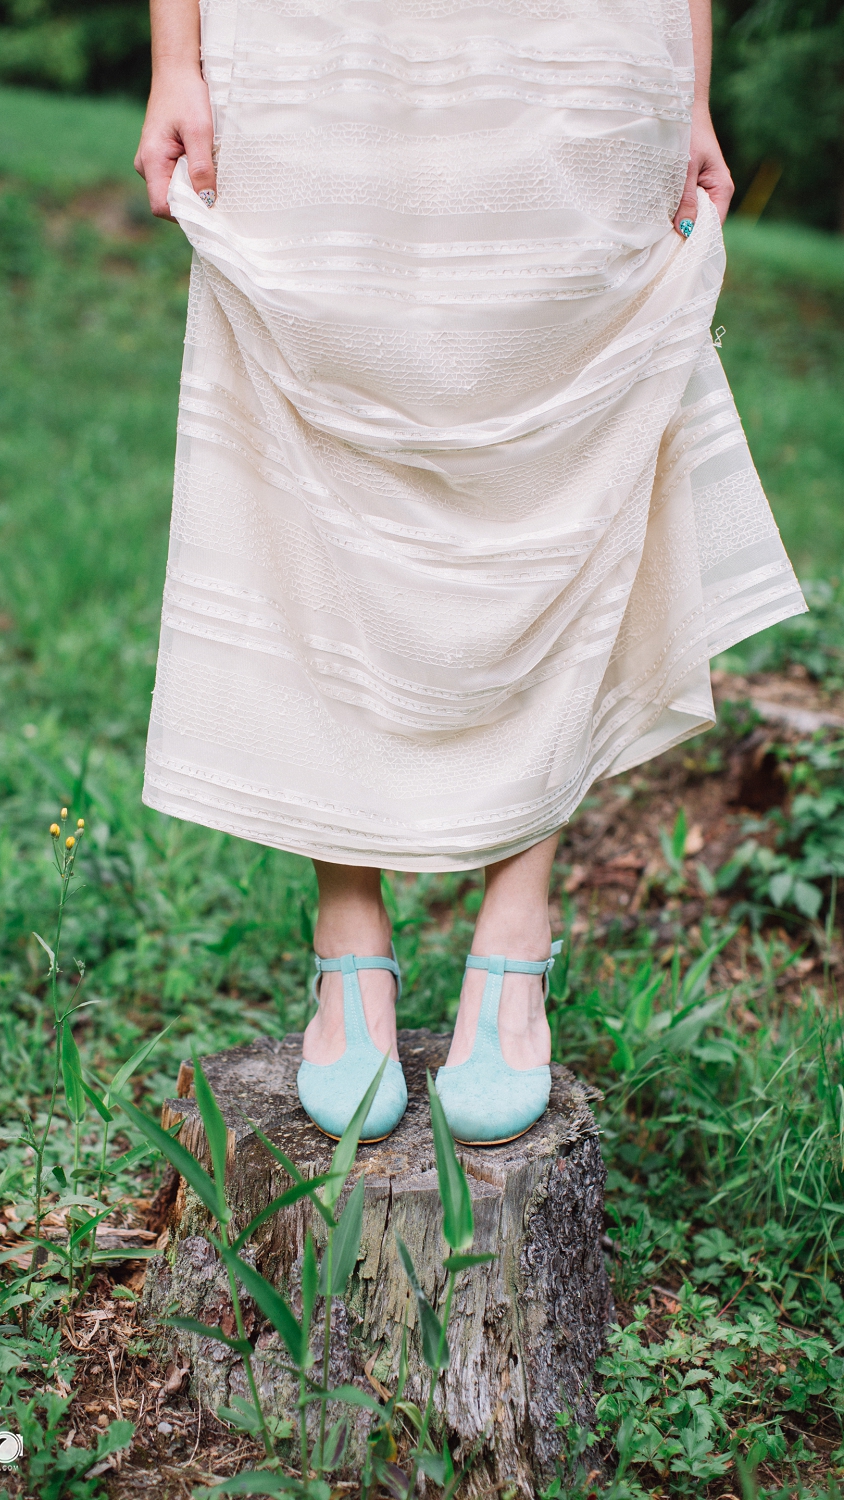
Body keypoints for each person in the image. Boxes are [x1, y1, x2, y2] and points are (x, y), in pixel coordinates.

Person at [135, 0, 805, 1147]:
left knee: (565, 439)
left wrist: (691, 88)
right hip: (315, 42)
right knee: (319, 429)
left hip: (578, 39)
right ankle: (347, 930)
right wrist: (174, 58)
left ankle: (517, 920)